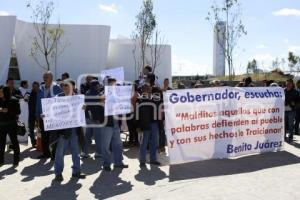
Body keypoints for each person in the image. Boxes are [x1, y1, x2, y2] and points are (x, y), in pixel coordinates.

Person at [54, 80, 86, 182]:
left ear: (73, 87)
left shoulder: (78, 98)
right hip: (63, 131)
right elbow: (51, 111)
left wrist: (84, 108)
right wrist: (45, 115)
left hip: (75, 130)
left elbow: (82, 112)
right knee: (60, 152)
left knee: (76, 152)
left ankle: (76, 172)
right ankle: (58, 173)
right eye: (64, 86)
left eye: (67, 86)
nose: (65, 87)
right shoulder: (57, 98)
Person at [101, 78, 128, 171]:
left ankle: (118, 163)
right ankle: (106, 164)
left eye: (115, 85)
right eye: (112, 84)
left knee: (118, 144)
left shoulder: (118, 95)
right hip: (107, 124)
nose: (114, 86)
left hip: (116, 123)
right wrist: (102, 102)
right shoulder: (102, 95)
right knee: (105, 145)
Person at [36, 72, 62, 159]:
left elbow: (61, 101)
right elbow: (38, 102)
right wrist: (38, 115)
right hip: (43, 117)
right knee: (44, 136)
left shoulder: (57, 88)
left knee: (54, 136)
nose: (44, 78)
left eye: (46, 77)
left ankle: (53, 154)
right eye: (44, 77)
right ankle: (46, 153)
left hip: (53, 117)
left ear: (51, 78)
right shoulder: (41, 88)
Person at [138, 82, 161, 167]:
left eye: (149, 88)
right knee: (144, 143)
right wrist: (138, 126)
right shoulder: (140, 100)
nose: (147, 89)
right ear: (143, 90)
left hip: (154, 123)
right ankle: (142, 160)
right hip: (144, 124)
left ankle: (153, 159)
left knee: (154, 143)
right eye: (145, 88)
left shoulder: (155, 98)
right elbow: (137, 114)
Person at [0, 86, 21, 167]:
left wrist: (8, 110)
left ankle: (16, 160)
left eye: (1, 92)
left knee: (14, 142)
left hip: (11, 124)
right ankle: (1, 161)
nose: (0, 93)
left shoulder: (14, 100)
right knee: (1, 144)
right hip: (1, 125)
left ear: (5, 92)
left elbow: (18, 111)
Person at [83, 80, 103, 159]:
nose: (99, 87)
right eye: (98, 86)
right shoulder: (97, 94)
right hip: (95, 118)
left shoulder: (87, 93)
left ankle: (85, 152)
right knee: (98, 136)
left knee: (88, 136)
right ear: (95, 86)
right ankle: (98, 153)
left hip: (88, 118)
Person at [284, 79, 300, 143]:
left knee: (291, 124)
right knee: (284, 124)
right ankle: (283, 136)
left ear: (292, 84)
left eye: (289, 84)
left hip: (292, 111)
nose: (288, 85)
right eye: (287, 84)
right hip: (284, 110)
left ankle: (290, 136)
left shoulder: (296, 92)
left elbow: (299, 102)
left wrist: (294, 105)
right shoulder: (283, 91)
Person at [28, 82, 40, 148]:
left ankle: (39, 142)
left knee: (40, 130)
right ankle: (33, 143)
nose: (35, 87)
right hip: (31, 115)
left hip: (38, 115)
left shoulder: (41, 93)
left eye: (36, 86)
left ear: (38, 86)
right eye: (34, 86)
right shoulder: (30, 94)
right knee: (31, 130)